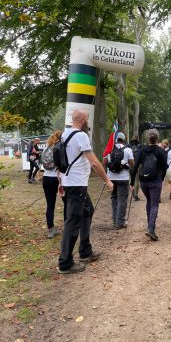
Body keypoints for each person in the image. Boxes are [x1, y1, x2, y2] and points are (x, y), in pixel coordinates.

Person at [58, 109, 113, 275]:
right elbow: (95, 162)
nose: (87, 121)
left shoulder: (64, 134)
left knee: (88, 210)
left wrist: (60, 181)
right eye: (87, 118)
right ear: (82, 120)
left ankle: (85, 251)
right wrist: (107, 180)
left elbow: (61, 160)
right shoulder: (81, 136)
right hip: (76, 186)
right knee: (72, 222)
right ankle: (65, 263)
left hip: (70, 183)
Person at [130, 129, 167, 241]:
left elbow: (135, 167)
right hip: (155, 181)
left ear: (147, 138)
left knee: (149, 202)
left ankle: (150, 226)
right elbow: (164, 167)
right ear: (157, 138)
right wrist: (162, 178)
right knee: (154, 204)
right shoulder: (161, 151)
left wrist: (132, 182)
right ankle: (150, 228)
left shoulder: (142, 150)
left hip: (143, 181)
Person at [103, 132, 134, 230]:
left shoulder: (109, 149)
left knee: (113, 198)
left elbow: (103, 162)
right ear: (124, 140)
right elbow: (132, 164)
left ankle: (114, 220)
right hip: (123, 178)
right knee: (122, 199)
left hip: (111, 178)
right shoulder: (128, 149)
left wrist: (106, 174)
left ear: (115, 139)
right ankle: (120, 222)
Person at [41, 130, 62, 239]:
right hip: (58, 179)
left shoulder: (47, 147)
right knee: (67, 202)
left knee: (50, 205)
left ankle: (50, 229)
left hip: (46, 178)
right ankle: (69, 227)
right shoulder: (59, 147)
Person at [129, 134, 142, 201]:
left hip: (129, 163)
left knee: (131, 179)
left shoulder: (129, 145)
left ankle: (132, 193)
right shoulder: (140, 146)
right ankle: (135, 195)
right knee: (137, 180)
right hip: (136, 164)